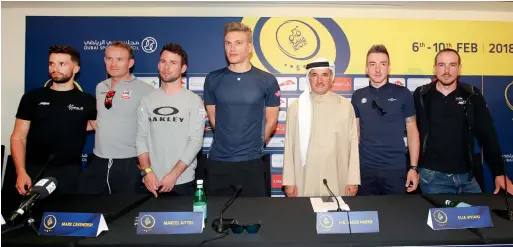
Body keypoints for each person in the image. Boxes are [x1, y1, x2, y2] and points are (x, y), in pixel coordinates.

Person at [413, 48, 513, 195]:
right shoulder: (421, 95)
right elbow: (412, 134)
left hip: (468, 179)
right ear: (434, 68)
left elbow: (488, 136)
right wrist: (413, 169)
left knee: (478, 218)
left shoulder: (472, 95)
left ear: (459, 69)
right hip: (433, 178)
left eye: (452, 65)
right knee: (443, 218)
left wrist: (499, 172)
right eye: (441, 65)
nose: (446, 70)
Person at [203, 22, 280, 197]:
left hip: (251, 163)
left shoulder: (267, 80)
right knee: (216, 219)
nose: (232, 48)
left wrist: (254, 146)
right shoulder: (213, 79)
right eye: (228, 43)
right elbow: (214, 119)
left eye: (238, 43)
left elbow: (272, 121)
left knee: (252, 219)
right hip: (218, 162)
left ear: (250, 47)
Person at [11, 45, 96, 195]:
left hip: (70, 173)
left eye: (62, 64)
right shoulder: (32, 97)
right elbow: (18, 137)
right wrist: (21, 172)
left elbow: (98, 127)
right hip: (34, 171)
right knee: (32, 218)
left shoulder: (88, 101)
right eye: (52, 63)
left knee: (68, 216)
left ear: (76, 69)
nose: (55, 68)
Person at [78, 42, 154, 195]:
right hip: (99, 160)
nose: (113, 64)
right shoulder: (101, 87)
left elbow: (154, 129)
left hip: (129, 161)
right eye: (109, 59)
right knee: (93, 211)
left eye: (119, 59)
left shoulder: (146, 90)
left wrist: (147, 166)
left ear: (130, 63)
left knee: (127, 214)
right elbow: (100, 120)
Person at [282, 58, 360, 197]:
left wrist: (353, 180)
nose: (319, 80)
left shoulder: (345, 106)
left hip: (338, 179)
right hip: (304, 180)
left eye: (324, 75)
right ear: (308, 78)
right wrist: (289, 181)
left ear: (331, 78)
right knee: (305, 217)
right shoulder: (297, 107)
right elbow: (289, 145)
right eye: (314, 75)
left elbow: (353, 144)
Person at [136, 43, 205, 197]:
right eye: (163, 61)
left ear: (183, 68)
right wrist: (147, 172)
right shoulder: (147, 100)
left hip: (182, 181)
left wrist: (173, 175)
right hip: (150, 182)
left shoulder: (194, 101)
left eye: (173, 63)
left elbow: (195, 142)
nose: (166, 67)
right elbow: (141, 137)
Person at [351, 44, 420, 195]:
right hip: (365, 170)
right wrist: (351, 171)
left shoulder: (403, 94)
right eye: (372, 64)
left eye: (383, 64)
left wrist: (413, 168)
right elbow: (355, 135)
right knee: (366, 216)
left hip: (395, 169)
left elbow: (413, 132)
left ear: (389, 68)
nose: (377, 69)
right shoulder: (357, 96)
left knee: (395, 216)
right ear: (366, 69)